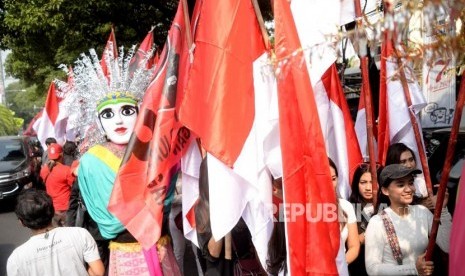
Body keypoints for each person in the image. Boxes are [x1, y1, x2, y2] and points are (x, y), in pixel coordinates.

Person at [66, 46, 165, 275]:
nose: (118, 120)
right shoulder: (91, 160)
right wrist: (148, 209)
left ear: (140, 113)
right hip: (126, 249)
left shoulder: (156, 150)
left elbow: (167, 199)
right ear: (98, 121)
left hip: (161, 244)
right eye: (108, 114)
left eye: (127, 111)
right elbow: (105, 218)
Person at [365, 164, 452, 275]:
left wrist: (443, 210)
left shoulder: (422, 212)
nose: (409, 189)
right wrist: (414, 269)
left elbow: (448, 246)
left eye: (410, 183)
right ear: (385, 190)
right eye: (401, 185)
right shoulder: (377, 222)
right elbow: (372, 269)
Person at [7, 189, 104, 276]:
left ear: (22, 222)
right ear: (53, 211)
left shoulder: (16, 258)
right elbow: (98, 272)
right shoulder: (80, 234)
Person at [348, 162, 381, 276]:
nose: (368, 188)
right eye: (363, 182)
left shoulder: (390, 206)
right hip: (359, 267)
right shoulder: (349, 208)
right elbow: (351, 243)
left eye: (373, 183)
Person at [328, 158, 360, 265]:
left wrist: (340, 265)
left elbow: (354, 247)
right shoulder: (303, 208)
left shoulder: (346, 206)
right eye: (325, 180)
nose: (330, 184)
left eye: (333, 179)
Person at [385, 142, 433, 208]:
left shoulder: (421, 182)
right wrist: (420, 208)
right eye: (403, 162)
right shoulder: (388, 184)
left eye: (411, 160)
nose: (409, 165)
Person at [40, 143, 75, 226]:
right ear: (61, 154)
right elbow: (74, 186)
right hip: (66, 208)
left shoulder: (44, 170)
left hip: (53, 208)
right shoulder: (66, 170)